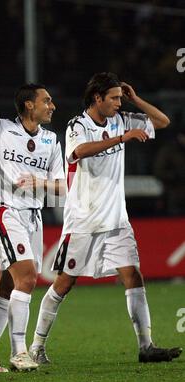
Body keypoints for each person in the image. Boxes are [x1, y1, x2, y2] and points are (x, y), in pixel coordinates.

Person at [28, 72, 182, 364]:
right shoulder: (78, 125)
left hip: (116, 220)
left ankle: (146, 346)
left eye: (120, 97)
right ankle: (36, 346)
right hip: (84, 220)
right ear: (97, 98)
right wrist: (121, 138)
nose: (117, 102)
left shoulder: (121, 118)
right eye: (113, 98)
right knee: (64, 283)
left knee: (133, 276)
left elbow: (162, 122)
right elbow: (79, 151)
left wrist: (135, 99)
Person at [0, 84, 66, 372]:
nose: (52, 106)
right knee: (27, 277)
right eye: (46, 101)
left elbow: (62, 187)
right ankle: (19, 351)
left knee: (9, 286)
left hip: (33, 217)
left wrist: (42, 184)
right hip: (5, 210)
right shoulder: (0, 129)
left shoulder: (51, 141)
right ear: (28, 105)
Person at [154, 129, 185, 216]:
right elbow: (158, 171)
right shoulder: (168, 151)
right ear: (180, 137)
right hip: (173, 193)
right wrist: (175, 175)